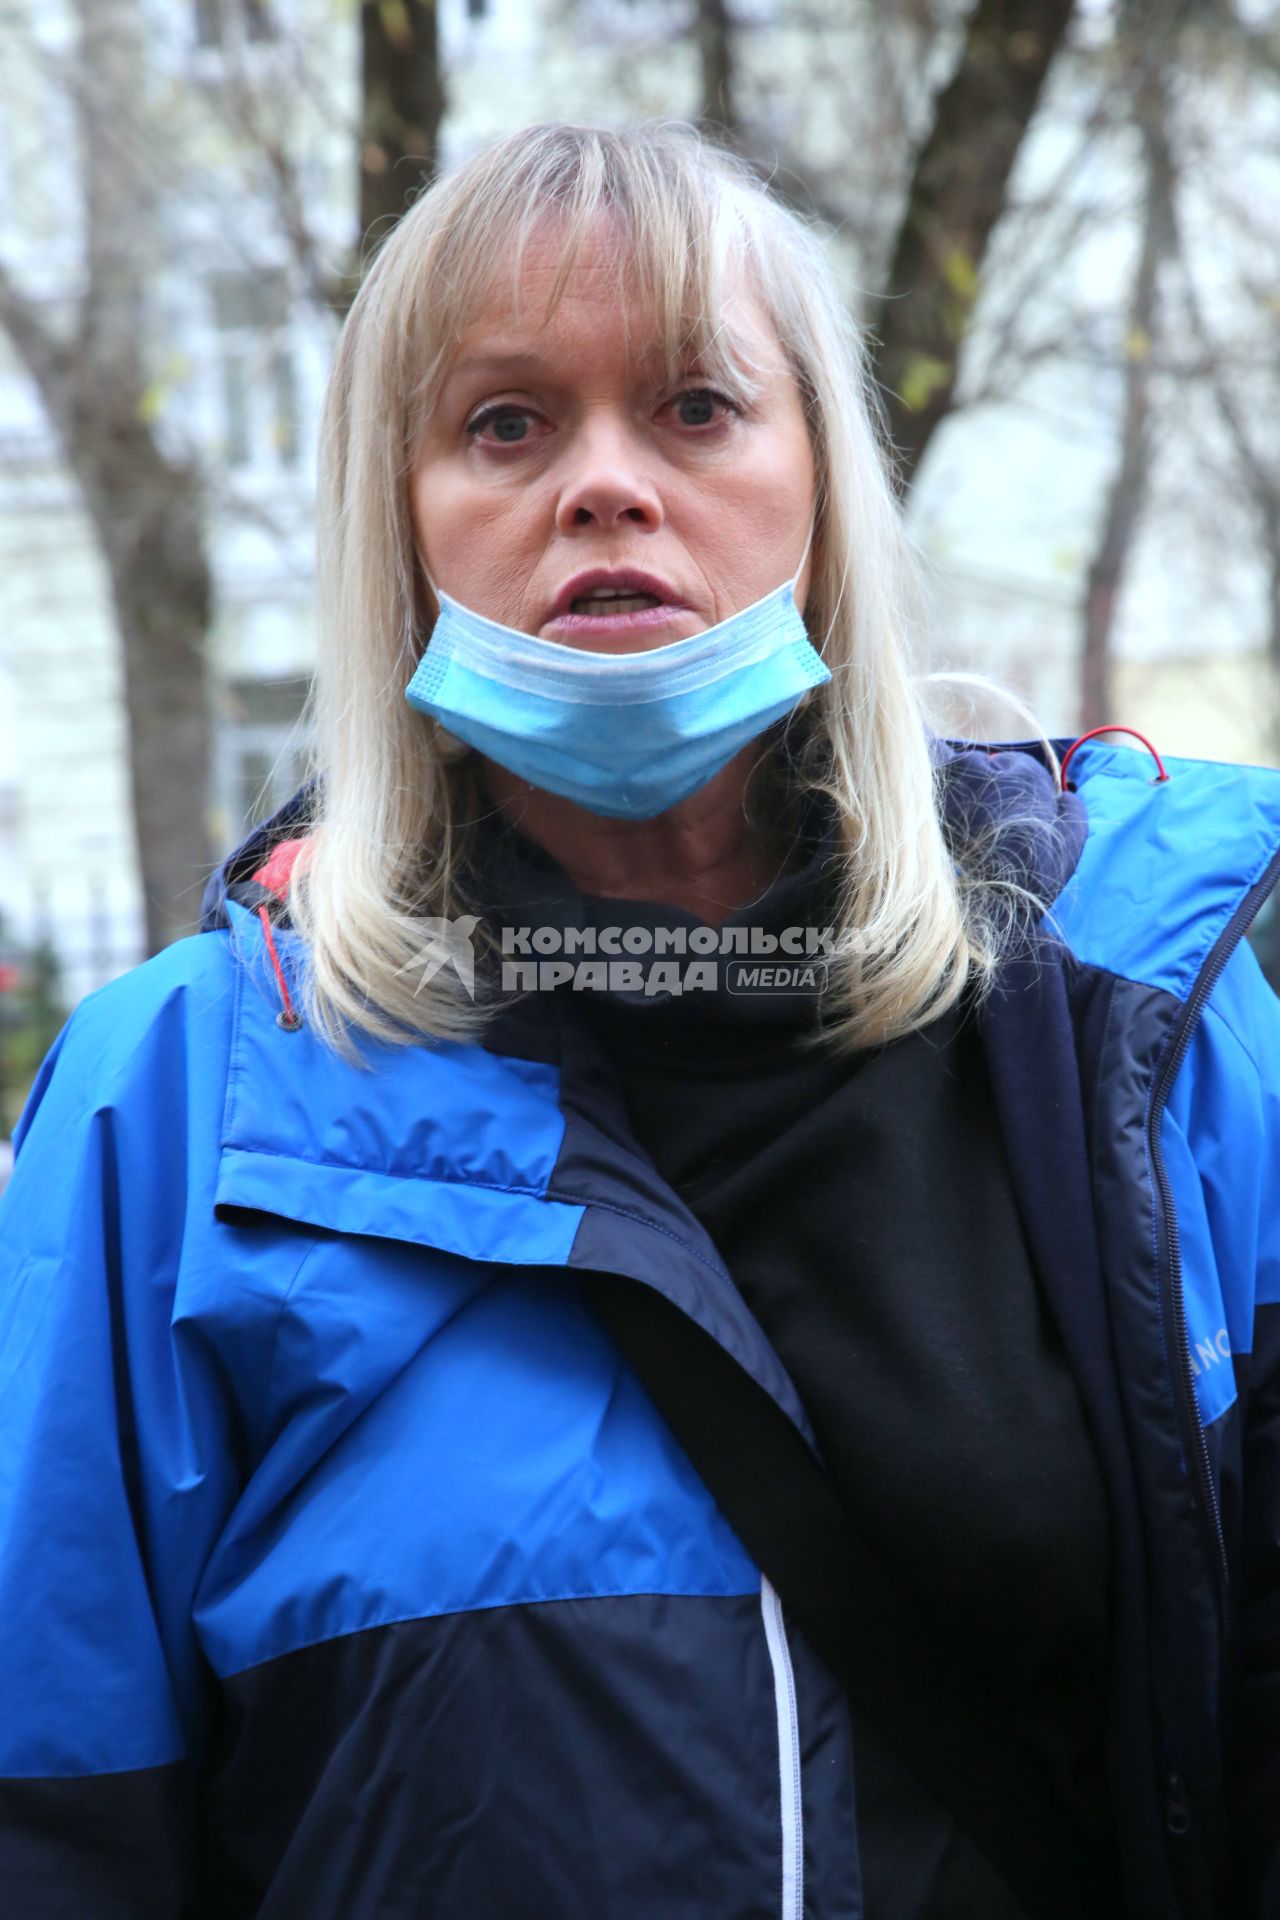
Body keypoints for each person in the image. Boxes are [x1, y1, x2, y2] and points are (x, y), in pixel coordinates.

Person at [0, 120, 1277, 1920]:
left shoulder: (1145, 1031)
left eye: (695, 405)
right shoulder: (176, 1110)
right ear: (402, 521)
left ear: (825, 488)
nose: (605, 487)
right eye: (505, 423)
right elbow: (56, 1824)